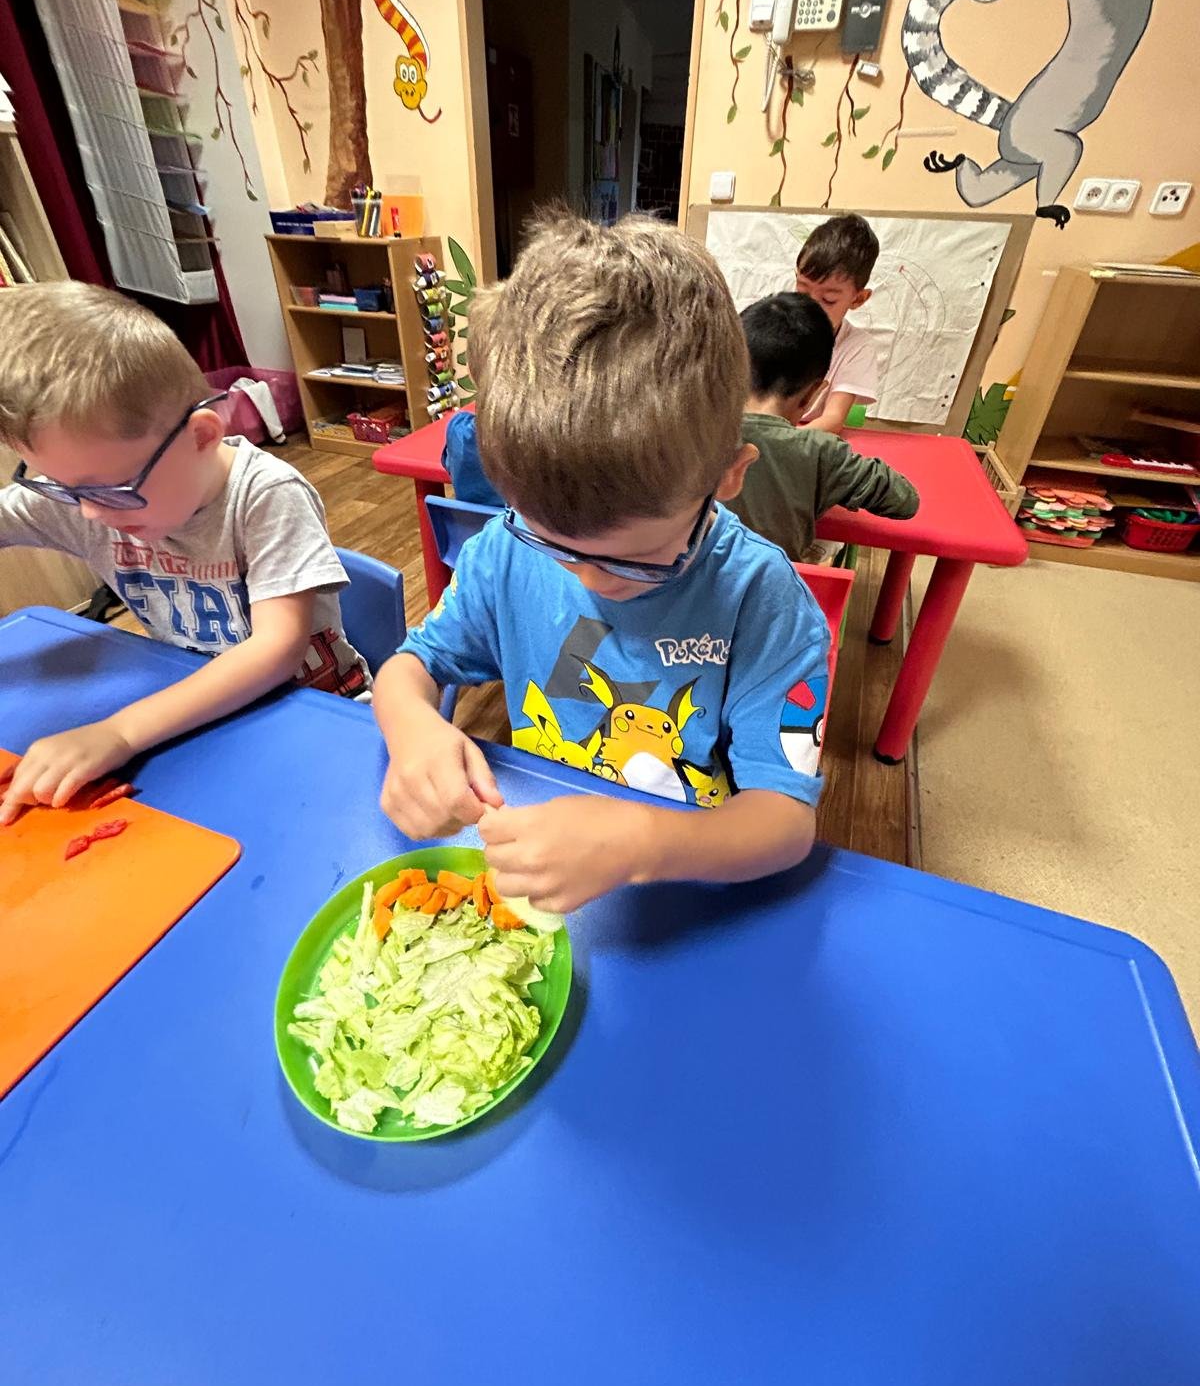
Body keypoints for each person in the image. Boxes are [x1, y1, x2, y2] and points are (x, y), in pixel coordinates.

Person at [373, 212, 832, 916]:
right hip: (549, 878)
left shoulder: (762, 598)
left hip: (685, 885)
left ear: (729, 476)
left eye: (639, 561)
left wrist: (643, 844)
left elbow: (786, 823)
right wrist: (413, 729)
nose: (588, 579)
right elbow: (410, 667)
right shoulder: (503, 551)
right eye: (553, 545)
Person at [0, 282, 367, 822]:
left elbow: (276, 650)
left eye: (112, 490)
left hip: (321, 718)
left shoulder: (265, 496)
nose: (89, 513)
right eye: (62, 487)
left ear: (201, 436)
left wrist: (119, 732)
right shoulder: (91, 495)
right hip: (195, 717)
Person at [729, 292, 918, 562]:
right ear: (813, 393)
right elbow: (905, 500)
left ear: (734, 370)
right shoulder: (822, 453)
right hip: (775, 587)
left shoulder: (689, 435)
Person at [793, 213, 880, 433]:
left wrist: (784, 441)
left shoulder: (857, 347)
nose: (810, 307)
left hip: (807, 436)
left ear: (858, 299)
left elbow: (833, 419)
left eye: (828, 299)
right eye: (802, 291)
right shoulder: (772, 324)